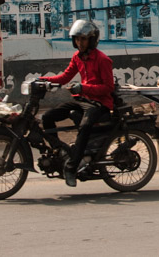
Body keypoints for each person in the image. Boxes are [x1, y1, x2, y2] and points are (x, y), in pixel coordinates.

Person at [39, 19, 115, 187]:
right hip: (83, 100)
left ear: (92, 40)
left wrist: (83, 88)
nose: (79, 43)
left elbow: (108, 87)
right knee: (47, 117)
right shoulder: (77, 57)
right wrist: (42, 80)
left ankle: (72, 168)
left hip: (99, 103)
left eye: (83, 39)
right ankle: (60, 151)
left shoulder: (103, 60)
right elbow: (64, 77)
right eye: (77, 39)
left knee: (84, 127)